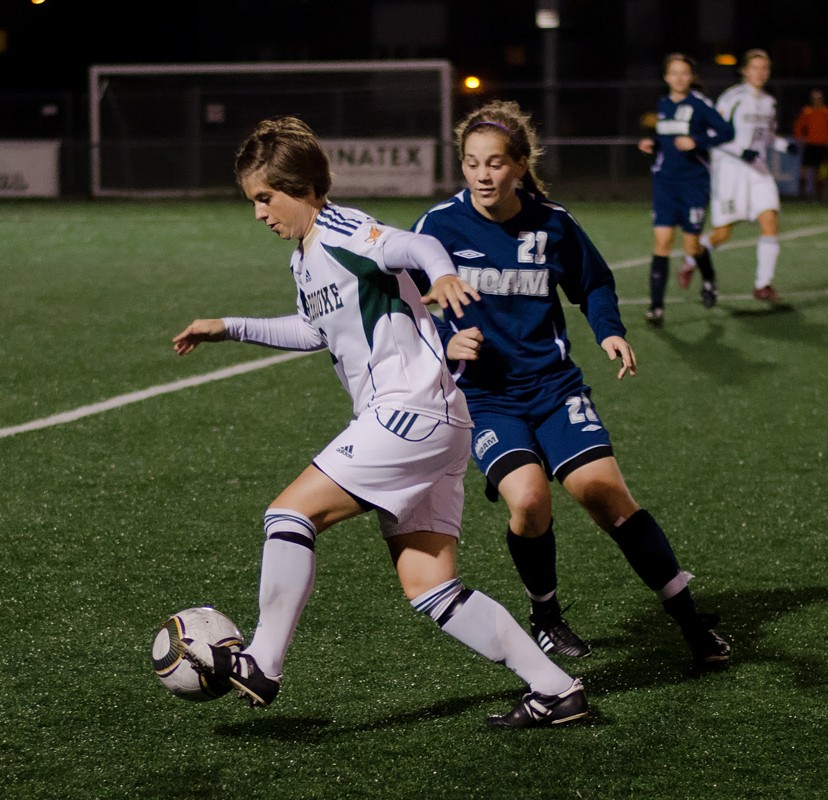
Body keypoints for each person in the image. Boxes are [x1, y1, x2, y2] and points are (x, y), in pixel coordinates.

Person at [170, 115, 588, 729]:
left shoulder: (341, 228)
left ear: (302, 186)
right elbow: (313, 330)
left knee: (289, 514)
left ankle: (262, 659)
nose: (260, 213)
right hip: (432, 422)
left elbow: (410, 246)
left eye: (265, 198)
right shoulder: (305, 258)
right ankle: (556, 689)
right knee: (430, 586)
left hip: (409, 411)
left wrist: (441, 271)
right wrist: (227, 326)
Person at [411, 99, 731, 671]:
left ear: (519, 165)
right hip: (484, 398)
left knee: (607, 497)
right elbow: (400, 305)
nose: (483, 175)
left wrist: (609, 331)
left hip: (554, 388)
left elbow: (596, 283)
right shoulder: (436, 228)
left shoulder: (553, 223)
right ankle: (547, 617)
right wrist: (442, 338)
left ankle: (691, 623)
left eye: (495, 163)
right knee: (530, 501)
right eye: (471, 163)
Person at [637, 53, 734, 324]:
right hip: (665, 182)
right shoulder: (664, 103)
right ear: (666, 77)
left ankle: (710, 280)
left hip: (693, 183)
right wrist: (653, 145)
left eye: (684, 73)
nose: (679, 78)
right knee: (663, 242)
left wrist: (697, 141)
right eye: (674, 73)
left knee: (692, 247)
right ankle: (656, 307)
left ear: (691, 77)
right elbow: (666, 139)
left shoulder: (700, 104)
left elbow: (727, 132)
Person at [700, 49, 796, 303]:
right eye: (755, 67)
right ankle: (692, 257)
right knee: (722, 233)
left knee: (770, 218)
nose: (760, 73)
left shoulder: (768, 102)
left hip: (757, 169)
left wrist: (786, 146)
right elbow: (713, 135)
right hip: (730, 170)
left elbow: (768, 138)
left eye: (765, 68)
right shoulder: (732, 98)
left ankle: (763, 284)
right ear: (744, 70)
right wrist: (739, 151)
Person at [793, 88, 828, 200]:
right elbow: (798, 125)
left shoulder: (827, 112)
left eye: (819, 98)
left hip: (823, 145)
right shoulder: (807, 111)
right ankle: (802, 193)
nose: (817, 101)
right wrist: (800, 137)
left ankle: (819, 193)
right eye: (814, 99)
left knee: (821, 170)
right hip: (810, 144)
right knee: (804, 168)